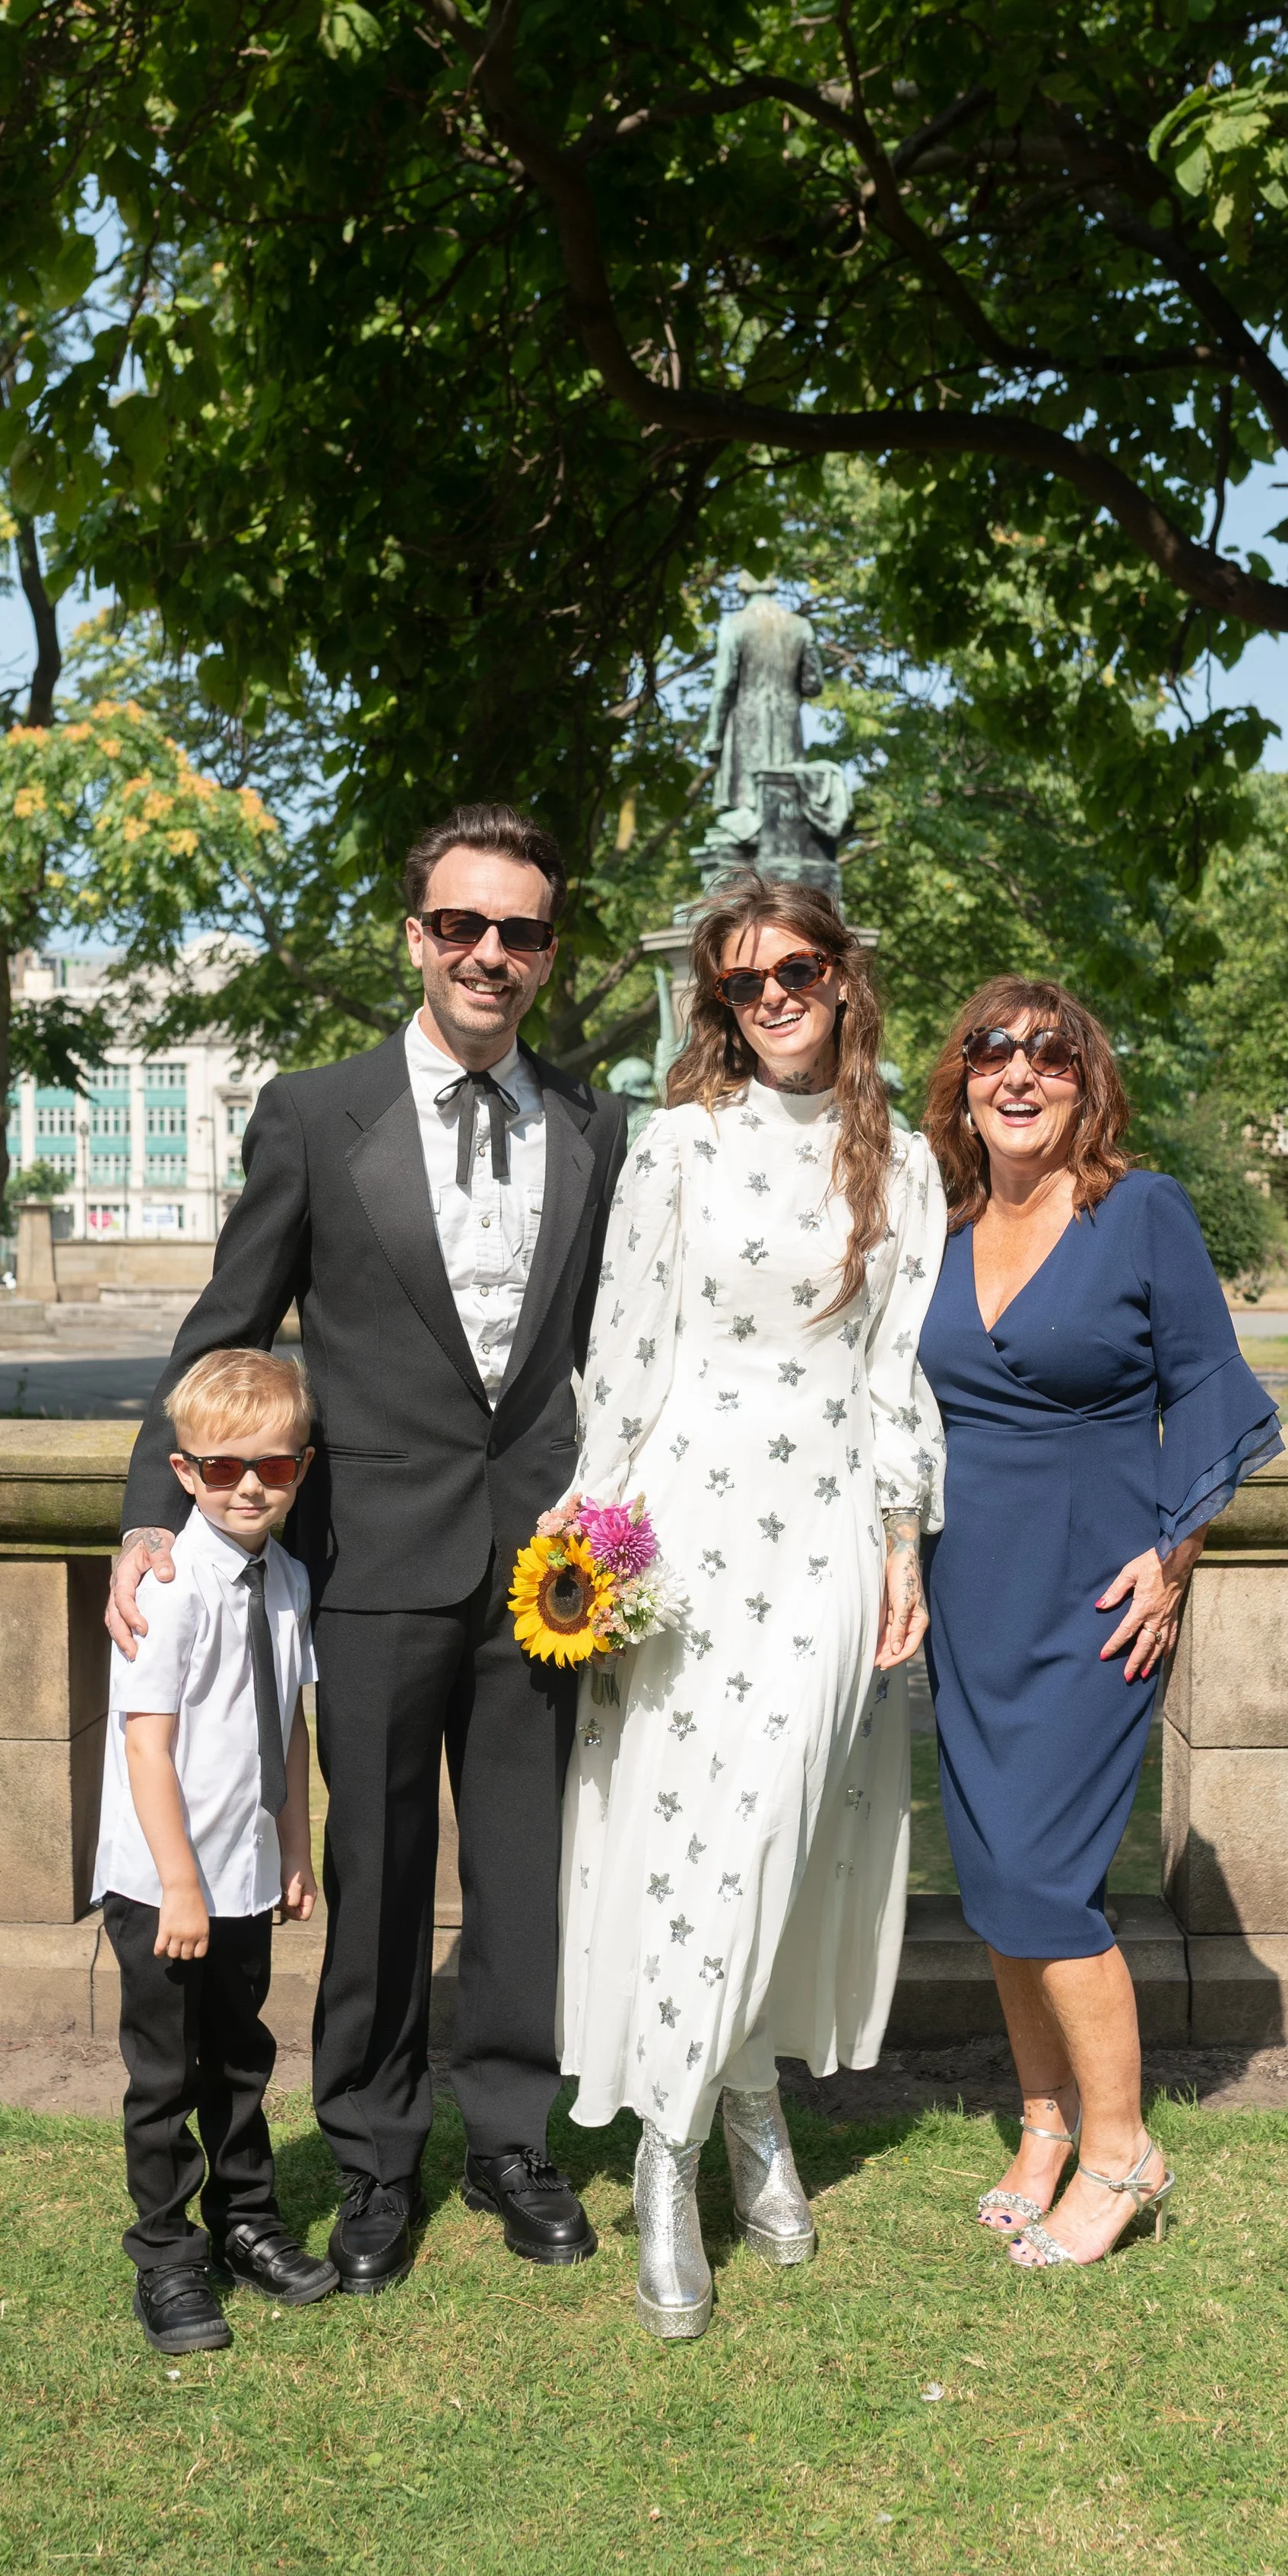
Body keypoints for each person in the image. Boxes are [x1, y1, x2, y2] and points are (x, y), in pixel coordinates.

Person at [106, 803, 630, 2295]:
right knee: (379, 1874)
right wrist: (153, 1508)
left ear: (546, 951)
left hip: (545, 1573)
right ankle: (381, 2161)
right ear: (414, 935)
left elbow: (616, 1347)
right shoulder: (313, 1112)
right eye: (460, 925)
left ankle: (519, 2147)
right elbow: (227, 1329)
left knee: (525, 1876)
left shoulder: (594, 1122)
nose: (489, 954)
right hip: (372, 1557)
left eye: (520, 932)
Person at [546, 877, 946, 2339]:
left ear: (845, 977)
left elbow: (899, 1369)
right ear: (714, 1005)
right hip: (686, 1523)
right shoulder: (678, 1149)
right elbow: (626, 1344)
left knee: (792, 1816)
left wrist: (903, 1539)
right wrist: (593, 1531)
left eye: (796, 968)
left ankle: (750, 2100)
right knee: (694, 1827)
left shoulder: (903, 1162)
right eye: (739, 984)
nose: (769, 995)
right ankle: (674, 2151)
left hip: (831, 1525)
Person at [917, 979, 1280, 2269]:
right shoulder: (941, 1223)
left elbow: (1216, 1391)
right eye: (992, 1053)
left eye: (1051, 1057)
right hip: (971, 1584)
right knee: (992, 1878)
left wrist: (1172, 1557)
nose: (1020, 1075)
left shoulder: (1142, 1210)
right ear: (960, 1080)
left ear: (1089, 1081)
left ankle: (1123, 2149)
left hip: (1094, 1589)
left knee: (1045, 1879)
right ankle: (1042, 2124)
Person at [94, 1346, 335, 2354]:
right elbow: (146, 1748)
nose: (248, 1486)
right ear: (185, 1472)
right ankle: (166, 2252)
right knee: (166, 2077)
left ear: (299, 1473)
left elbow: (286, 1727)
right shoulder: (168, 1584)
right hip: (165, 1887)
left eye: (272, 1469)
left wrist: (295, 1845)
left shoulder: (285, 1578)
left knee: (241, 2059)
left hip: (241, 1874)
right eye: (225, 1466)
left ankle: (246, 2224)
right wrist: (182, 1887)